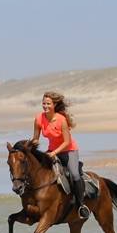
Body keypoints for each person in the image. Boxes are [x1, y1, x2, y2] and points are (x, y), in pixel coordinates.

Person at [30, 91, 90, 219]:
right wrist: (29, 148)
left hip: (69, 151)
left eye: (48, 104)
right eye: (43, 103)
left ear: (55, 104)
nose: (45, 106)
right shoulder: (39, 118)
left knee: (74, 174)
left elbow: (67, 142)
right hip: (51, 150)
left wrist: (54, 153)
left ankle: (81, 205)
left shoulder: (61, 120)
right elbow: (36, 139)